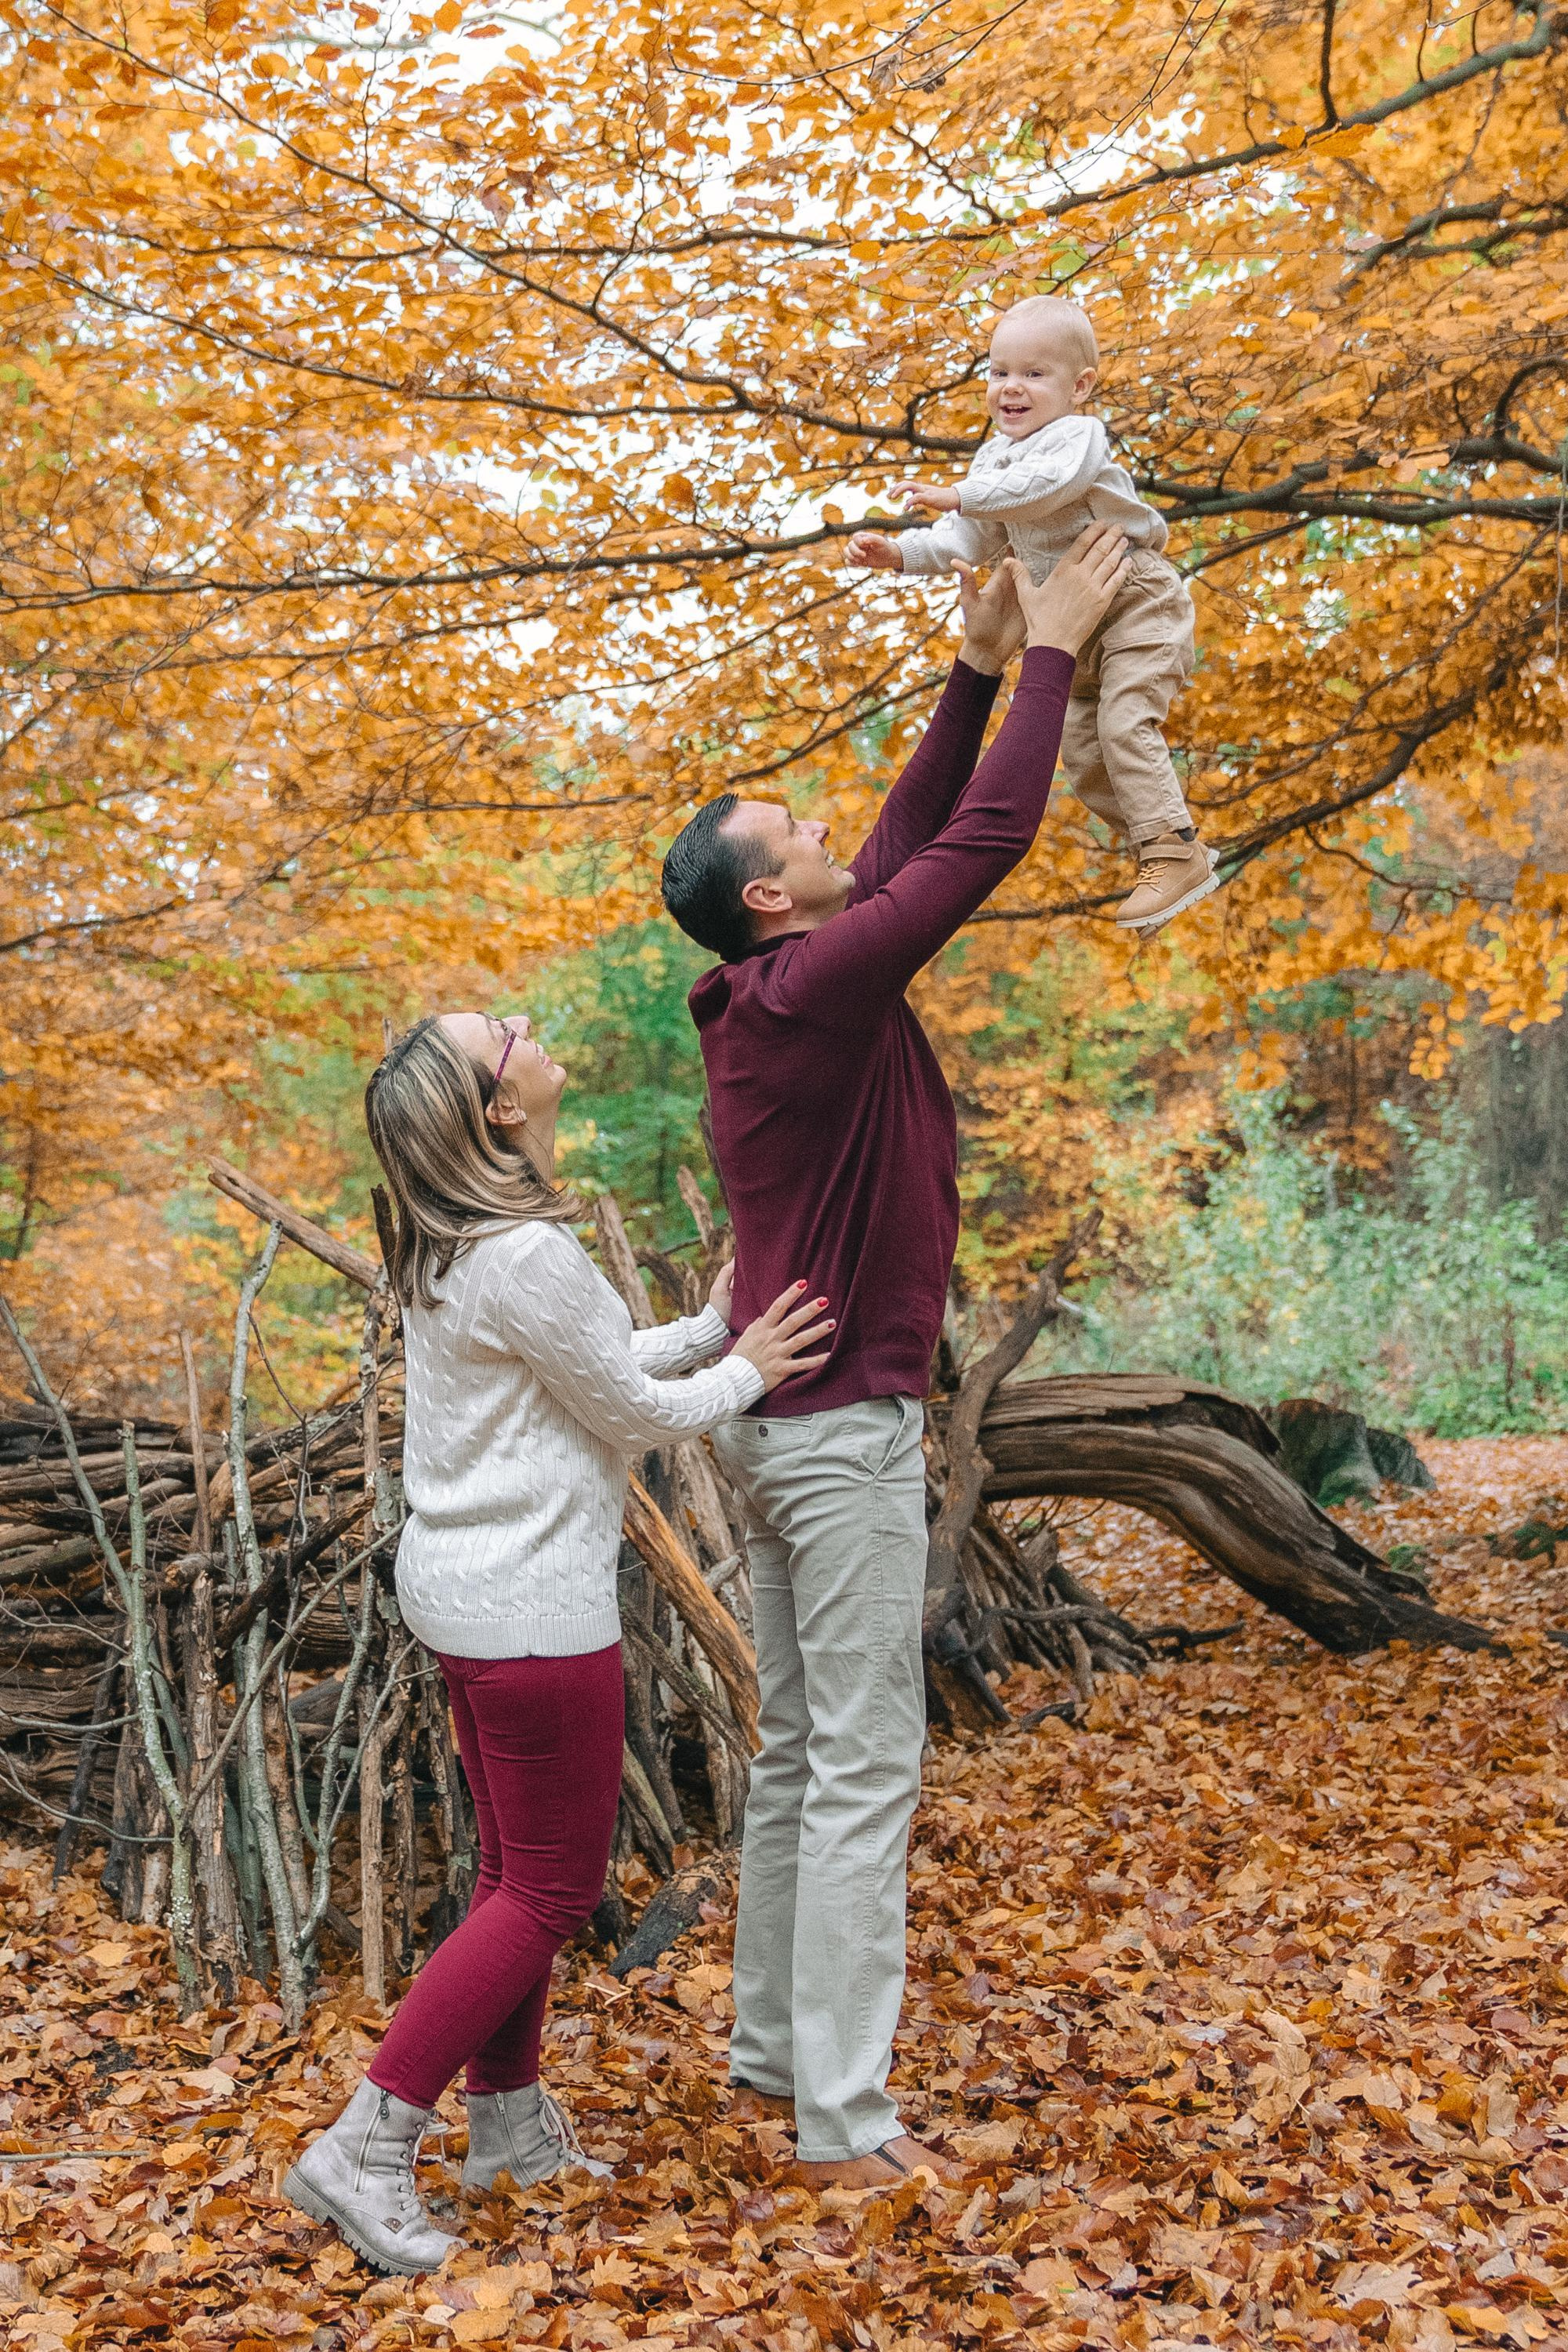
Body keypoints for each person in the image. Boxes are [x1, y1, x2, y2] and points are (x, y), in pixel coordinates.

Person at [659, 532, 1127, 2190]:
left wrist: (979, 661)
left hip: (785, 1442)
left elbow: (910, 834)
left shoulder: (784, 988)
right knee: (862, 1767)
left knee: (801, 1750)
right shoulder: (815, 993)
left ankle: (772, 2056)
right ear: (769, 901)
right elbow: (979, 840)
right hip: (837, 1440)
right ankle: (842, 2126)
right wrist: (1060, 649)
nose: (825, 832)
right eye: (790, 833)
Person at [282, 1009, 833, 2275]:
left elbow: (579, 1370)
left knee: (509, 1878)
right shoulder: (523, 1250)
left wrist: (710, 1333)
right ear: (499, 1108)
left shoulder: (456, 1248)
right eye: (509, 1031)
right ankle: (364, 2146)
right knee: (548, 1893)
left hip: (466, 1595)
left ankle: (510, 2129)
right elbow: (633, 1413)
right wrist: (744, 1369)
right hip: (532, 1613)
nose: (531, 1029)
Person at [846, 295, 1217, 936]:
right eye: (997, 372)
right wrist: (900, 553)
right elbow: (969, 539)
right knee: (1081, 751)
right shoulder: (993, 461)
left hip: (1134, 603)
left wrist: (960, 493)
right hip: (1069, 629)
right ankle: (1169, 849)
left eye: (1034, 374)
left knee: (1127, 724)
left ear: (1080, 387)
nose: (1010, 388)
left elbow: (1047, 486)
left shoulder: (1077, 439)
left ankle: (1168, 850)